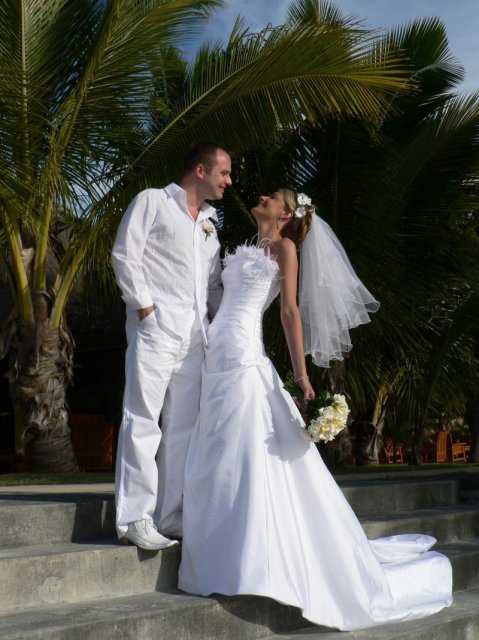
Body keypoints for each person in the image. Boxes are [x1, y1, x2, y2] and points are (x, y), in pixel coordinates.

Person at [178, 189, 452, 630]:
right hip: (216, 351)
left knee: (242, 447)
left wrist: (302, 375)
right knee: (218, 445)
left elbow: (289, 312)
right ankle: (220, 543)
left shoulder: (285, 249)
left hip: (243, 354)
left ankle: (249, 558)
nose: (262, 196)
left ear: (286, 214)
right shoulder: (246, 243)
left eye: (273, 197)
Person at [111, 141, 232, 550]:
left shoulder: (210, 223)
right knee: (142, 418)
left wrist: (225, 325)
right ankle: (134, 517)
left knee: (182, 427)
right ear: (201, 171)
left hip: (195, 338)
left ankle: (170, 514)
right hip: (156, 329)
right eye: (224, 173)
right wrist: (146, 310)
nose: (229, 181)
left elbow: (212, 286)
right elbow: (125, 255)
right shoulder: (153, 202)